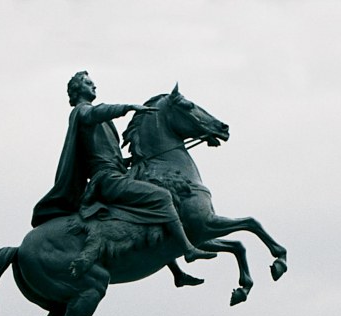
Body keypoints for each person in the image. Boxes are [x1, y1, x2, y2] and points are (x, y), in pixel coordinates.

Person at [31, 70, 216, 271]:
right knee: (162, 197)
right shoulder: (82, 111)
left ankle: (176, 271)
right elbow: (94, 113)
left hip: (115, 173)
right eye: (88, 83)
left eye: (93, 82)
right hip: (107, 179)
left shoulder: (96, 119)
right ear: (77, 90)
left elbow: (106, 153)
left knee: (147, 208)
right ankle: (188, 250)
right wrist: (126, 108)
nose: (94, 86)